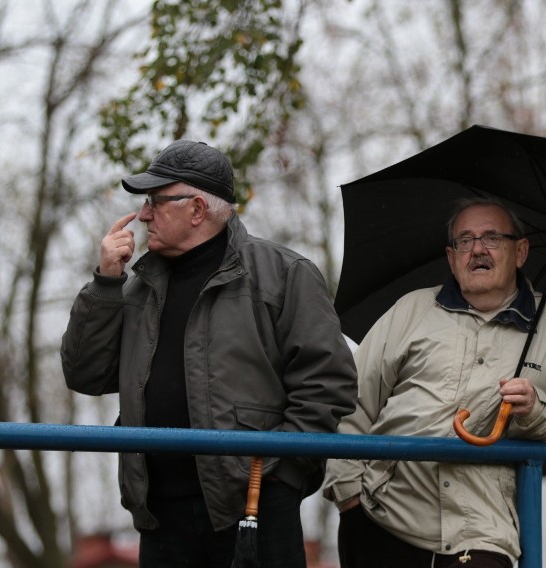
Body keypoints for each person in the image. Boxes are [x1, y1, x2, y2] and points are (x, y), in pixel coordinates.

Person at [61, 140, 358, 568]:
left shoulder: (284, 274)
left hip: (255, 509)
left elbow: (328, 384)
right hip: (160, 515)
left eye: (155, 202)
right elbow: (84, 374)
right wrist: (105, 283)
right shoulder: (133, 287)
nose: (143, 214)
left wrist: (280, 477)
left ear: (197, 209)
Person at [323, 197, 546, 568]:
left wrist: (537, 409)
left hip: (483, 529)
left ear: (520, 251)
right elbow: (353, 400)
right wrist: (349, 496)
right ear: (452, 257)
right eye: (464, 241)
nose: (478, 250)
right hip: (383, 516)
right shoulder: (412, 309)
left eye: (492, 238)